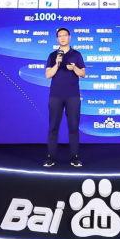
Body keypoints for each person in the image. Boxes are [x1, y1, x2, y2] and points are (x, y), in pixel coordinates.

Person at [44, 28, 86, 168]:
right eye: (60, 36)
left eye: (65, 35)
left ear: (69, 37)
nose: (62, 38)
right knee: (53, 127)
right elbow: (48, 75)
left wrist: (74, 68)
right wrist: (57, 63)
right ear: (57, 39)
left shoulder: (77, 55)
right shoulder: (52, 56)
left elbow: (83, 74)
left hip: (73, 95)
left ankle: (74, 157)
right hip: (55, 95)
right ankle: (51, 157)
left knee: (73, 126)